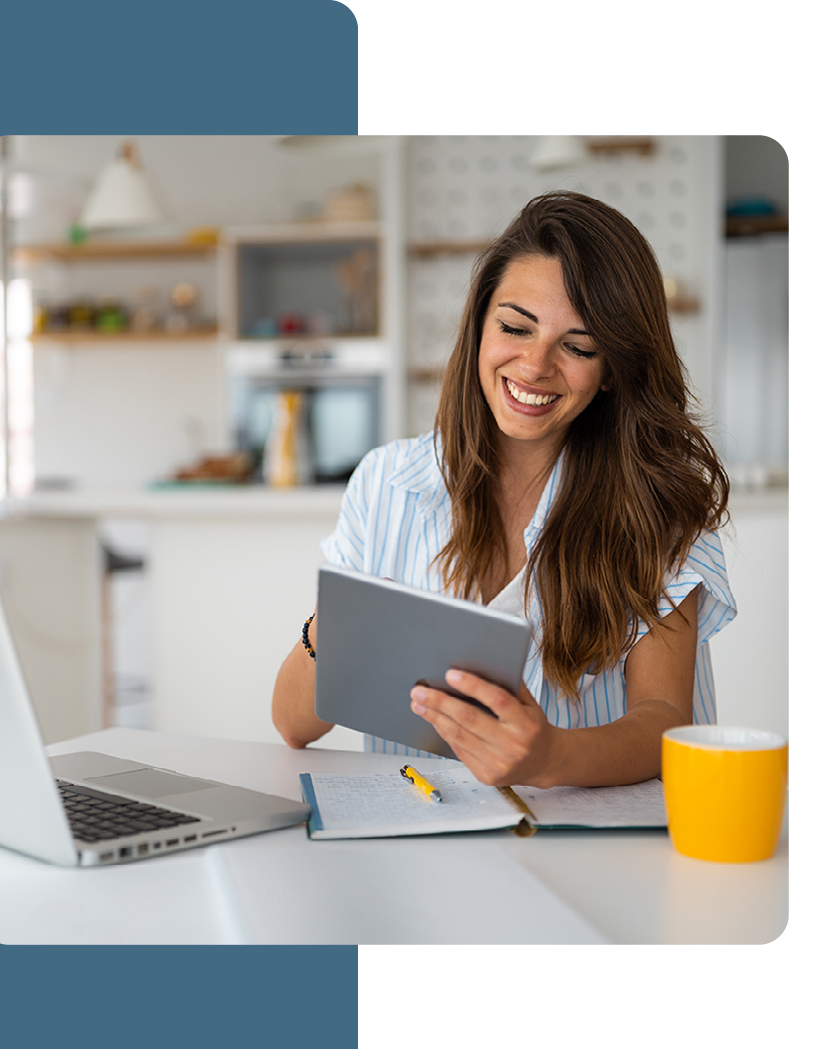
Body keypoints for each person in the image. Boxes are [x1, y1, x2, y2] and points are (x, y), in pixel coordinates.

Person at [271, 191, 735, 788]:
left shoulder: (655, 507)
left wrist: (549, 757)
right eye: (516, 327)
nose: (536, 365)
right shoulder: (385, 484)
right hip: (410, 852)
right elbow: (292, 724)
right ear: (480, 324)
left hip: (583, 857)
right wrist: (337, 625)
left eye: (578, 346)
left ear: (614, 369)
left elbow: (667, 721)